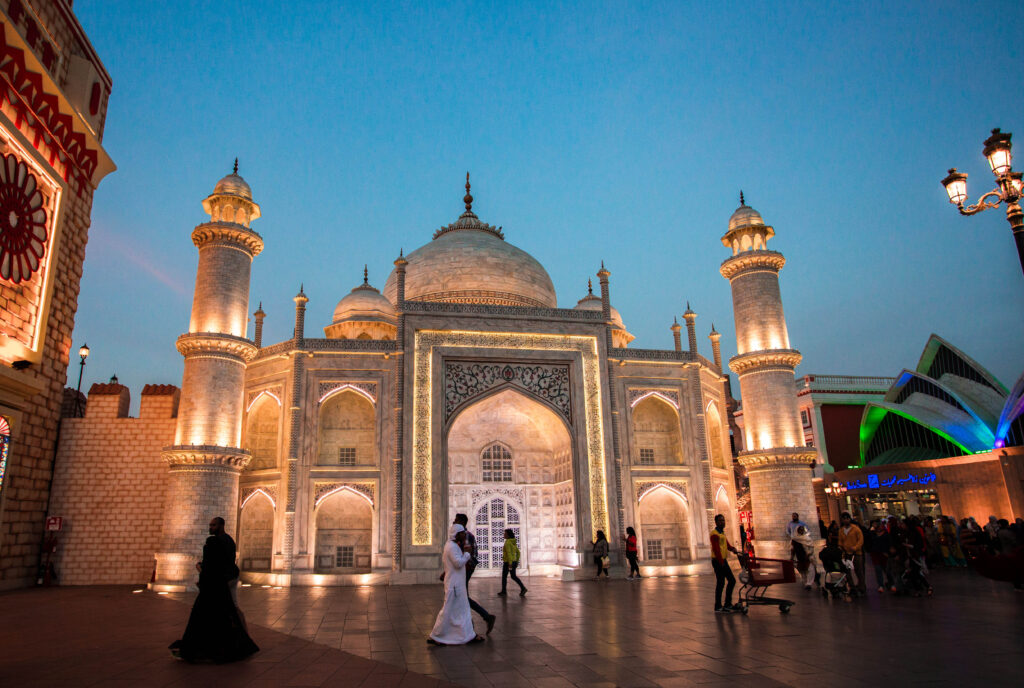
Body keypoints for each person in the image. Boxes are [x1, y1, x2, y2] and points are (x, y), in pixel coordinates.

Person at [169, 517, 259, 663]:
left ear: (221, 525)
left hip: (220, 582)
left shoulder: (215, 543)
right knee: (230, 609)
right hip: (225, 579)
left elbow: (213, 566)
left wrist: (203, 573)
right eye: (210, 525)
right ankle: (242, 638)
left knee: (223, 611)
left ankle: (238, 640)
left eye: (213, 525)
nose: (210, 527)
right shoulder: (227, 540)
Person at [429, 525, 483, 645]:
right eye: (462, 533)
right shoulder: (452, 547)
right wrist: (467, 554)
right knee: (448, 609)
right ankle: (436, 635)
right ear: (456, 534)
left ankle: (468, 635)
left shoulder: (453, 546)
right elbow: (458, 563)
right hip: (454, 585)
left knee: (462, 610)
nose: (465, 535)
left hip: (457, 583)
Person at [452, 513, 496, 634]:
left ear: (461, 522)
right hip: (461, 570)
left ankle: (471, 625)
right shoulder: (457, 536)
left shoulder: (464, 536)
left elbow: (468, 555)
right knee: (461, 596)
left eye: (456, 521)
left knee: (462, 597)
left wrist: (466, 569)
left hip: (464, 570)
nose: (453, 522)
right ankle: (476, 621)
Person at [710, 514, 739, 613]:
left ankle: (724, 604)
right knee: (726, 581)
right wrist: (721, 562)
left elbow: (725, 544)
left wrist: (732, 549)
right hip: (718, 561)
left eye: (723, 520)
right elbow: (716, 548)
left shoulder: (721, 532)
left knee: (724, 582)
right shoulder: (714, 533)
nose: (722, 522)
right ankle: (722, 605)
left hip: (722, 560)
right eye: (720, 521)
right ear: (716, 522)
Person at [838, 512, 866, 596]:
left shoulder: (856, 529)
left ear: (850, 519)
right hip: (847, 553)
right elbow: (840, 541)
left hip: (856, 553)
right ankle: (852, 587)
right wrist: (840, 547)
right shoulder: (841, 530)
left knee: (858, 570)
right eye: (844, 519)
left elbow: (860, 540)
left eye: (847, 518)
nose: (846, 520)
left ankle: (861, 587)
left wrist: (855, 547)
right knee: (847, 571)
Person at [497, 529, 527, 597]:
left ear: (508, 535)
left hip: (508, 562)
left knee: (504, 576)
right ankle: (523, 588)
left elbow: (509, 553)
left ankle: (504, 591)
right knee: (513, 576)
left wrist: (510, 563)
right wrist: (516, 560)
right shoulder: (513, 542)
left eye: (505, 533)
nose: (504, 535)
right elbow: (518, 552)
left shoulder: (507, 542)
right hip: (513, 562)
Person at [790, 525, 818, 590]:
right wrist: (792, 556)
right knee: (802, 570)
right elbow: (792, 548)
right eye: (800, 530)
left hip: (807, 557)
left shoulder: (807, 539)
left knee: (810, 569)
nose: (801, 531)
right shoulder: (794, 539)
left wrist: (808, 554)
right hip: (799, 557)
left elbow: (811, 548)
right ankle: (805, 582)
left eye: (802, 529)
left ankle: (809, 583)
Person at [868, 520, 891, 592]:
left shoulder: (885, 533)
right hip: (876, 554)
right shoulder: (872, 533)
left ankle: (891, 583)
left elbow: (888, 542)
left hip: (884, 554)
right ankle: (881, 585)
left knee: (887, 570)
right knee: (878, 570)